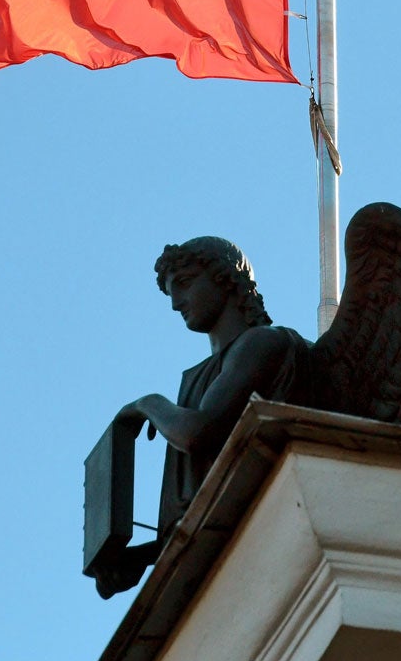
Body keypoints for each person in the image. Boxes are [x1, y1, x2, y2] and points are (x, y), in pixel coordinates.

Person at [96, 237, 310, 595]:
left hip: (274, 534)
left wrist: (147, 403)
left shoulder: (263, 344)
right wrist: (146, 557)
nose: (176, 303)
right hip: (223, 558)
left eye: (184, 283)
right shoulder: (202, 377)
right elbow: (216, 498)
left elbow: (198, 433)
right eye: (169, 293)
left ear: (224, 277)